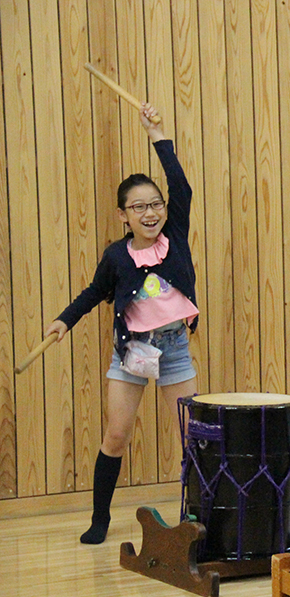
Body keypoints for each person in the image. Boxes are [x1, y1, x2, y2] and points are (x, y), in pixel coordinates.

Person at [45, 104, 199, 545]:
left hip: (173, 349)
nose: (150, 212)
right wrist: (64, 320)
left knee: (194, 439)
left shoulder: (177, 237)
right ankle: (99, 520)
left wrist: (158, 135)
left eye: (155, 204)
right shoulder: (116, 256)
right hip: (132, 352)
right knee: (116, 434)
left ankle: (198, 518)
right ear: (123, 215)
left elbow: (181, 185)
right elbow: (95, 292)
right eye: (138, 207)